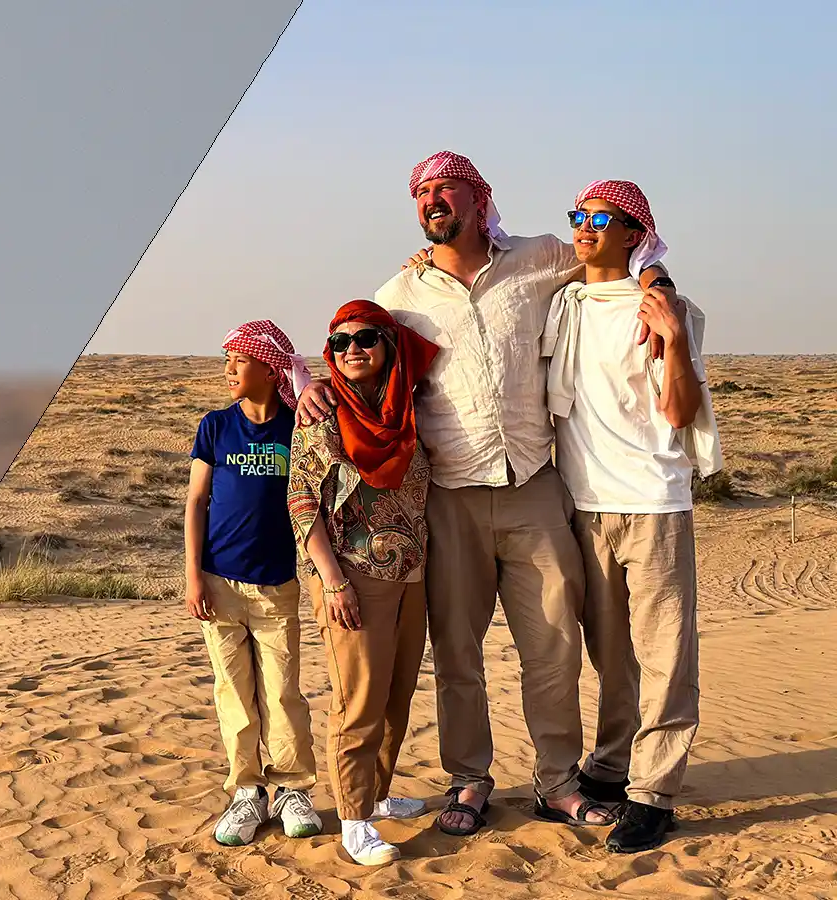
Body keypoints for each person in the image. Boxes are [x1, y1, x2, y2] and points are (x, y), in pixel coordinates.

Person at [293, 150, 685, 836]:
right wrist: (311, 386)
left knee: (555, 646)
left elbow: (619, 247)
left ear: (480, 198)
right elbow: (347, 343)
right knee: (457, 651)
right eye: (420, 193)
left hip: (536, 490)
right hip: (449, 498)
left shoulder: (538, 257)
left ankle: (558, 782)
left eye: (445, 188)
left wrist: (658, 284)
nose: (431, 200)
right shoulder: (401, 295)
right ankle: (468, 780)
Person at [542, 180, 721, 853]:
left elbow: (680, 412)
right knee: (609, 653)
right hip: (585, 504)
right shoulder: (565, 303)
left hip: (653, 504)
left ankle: (655, 793)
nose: (583, 227)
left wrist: (673, 340)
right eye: (577, 215)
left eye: (599, 218)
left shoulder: (669, 309)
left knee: (666, 655)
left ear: (632, 232)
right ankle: (613, 767)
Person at [287, 299, 441, 866]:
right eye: (340, 342)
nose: (353, 349)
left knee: (397, 696)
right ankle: (353, 819)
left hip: (412, 574)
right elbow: (301, 503)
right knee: (358, 701)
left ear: (389, 346)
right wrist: (332, 581)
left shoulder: (409, 410)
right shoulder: (322, 417)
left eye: (367, 338)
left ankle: (374, 797)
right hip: (351, 579)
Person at [185, 319, 323, 846]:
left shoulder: (297, 426)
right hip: (219, 584)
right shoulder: (216, 427)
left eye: (237, 362)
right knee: (235, 693)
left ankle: (292, 789)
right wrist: (193, 574)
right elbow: (197, 502)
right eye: (227, 362)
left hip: (277, 585)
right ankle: (247, 792)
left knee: (283, 691)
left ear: (268, 367)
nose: (228, 371)